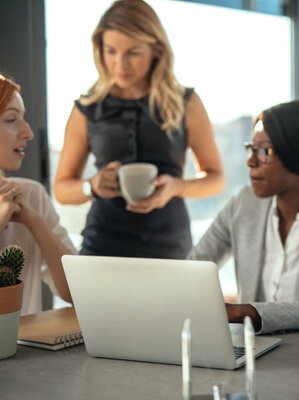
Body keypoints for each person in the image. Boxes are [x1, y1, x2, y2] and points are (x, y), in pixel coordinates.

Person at [54, 0, 224, 259]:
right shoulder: (86, 109)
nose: (120, 64)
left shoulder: (186, 103)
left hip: (170, 247)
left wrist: (177, 187)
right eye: (111, 51)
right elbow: (61, 189)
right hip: (102, 247)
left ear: (156, 50)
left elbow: (216, 178)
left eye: (132, 53)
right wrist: (92, 186)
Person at [187, 100, 299, 333]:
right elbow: (193, 270)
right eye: (250, 149)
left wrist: (246, 312)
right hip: (254, 350)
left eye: (263, 151)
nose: (250, 161)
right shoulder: (244, 202)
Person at [0, 74, 76, 315]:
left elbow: (75, 292)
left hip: (26, 352)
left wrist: (35, 222)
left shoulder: (31, 195)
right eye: (12, 119)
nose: (28, 132)